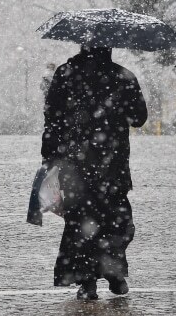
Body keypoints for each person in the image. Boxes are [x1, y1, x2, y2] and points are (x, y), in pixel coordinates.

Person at [41, 45, 147, 299]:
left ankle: (87, 282)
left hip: (75, 164)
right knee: (115, 220)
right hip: (113, 166)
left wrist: (49, 157)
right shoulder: (123, 76)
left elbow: (52, 118)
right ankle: (114, 273)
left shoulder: (65, 74)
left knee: (80, 222)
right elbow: (139, 117)